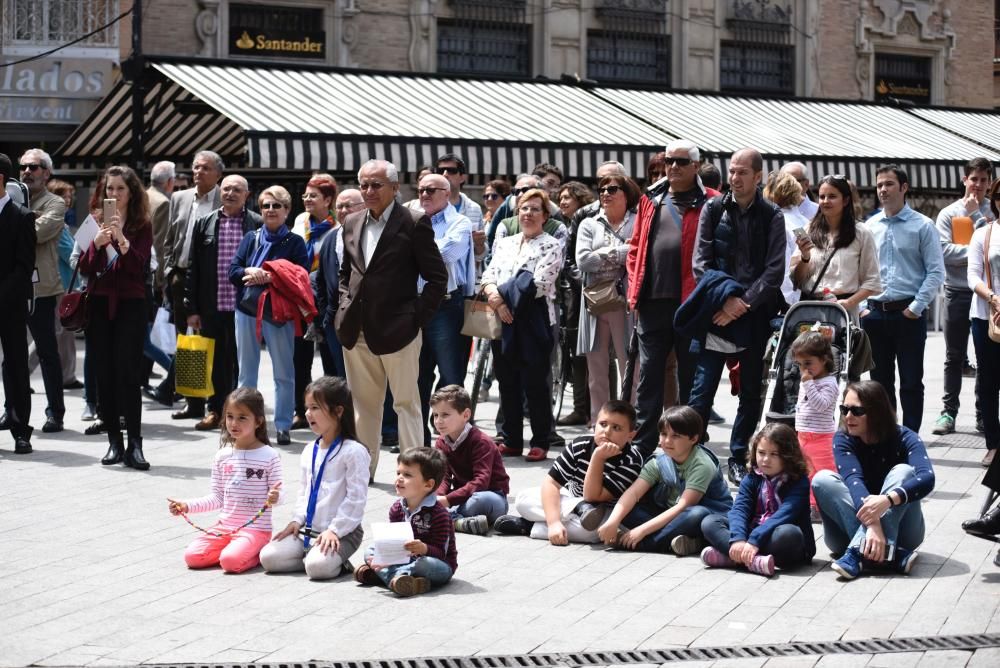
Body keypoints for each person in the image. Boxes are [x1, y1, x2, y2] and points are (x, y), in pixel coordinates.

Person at [337, 160, 447, 478]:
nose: (369, 191)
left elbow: (437, 278)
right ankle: (363, 471)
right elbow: (347, 273)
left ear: (396, 188)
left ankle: (415, 474)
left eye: (377, 185)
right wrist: (344, 305)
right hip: (356, 329)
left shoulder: (413, 222)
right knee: (364, 407)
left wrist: (416, 318)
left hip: (400, 330)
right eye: (365, 185)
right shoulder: (352, 221)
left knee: (406, 405)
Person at [687, 148, 786, 484]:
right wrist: (725, 300)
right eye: (733, 172)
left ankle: (739, 455)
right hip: (715, 312)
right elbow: (700, 263)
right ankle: (692, 459)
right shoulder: (713, 209)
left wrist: (743, 303)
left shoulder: (772, 214)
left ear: (758, 176)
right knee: (701, 393)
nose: (736, 178)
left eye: (743, 172)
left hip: (754, 314)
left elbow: (774, 270)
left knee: (750, 394)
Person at [628, 140, 723, 457]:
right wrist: (634, 289)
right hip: (653, 301)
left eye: (681, 162)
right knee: (649, 378)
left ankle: (692, 444)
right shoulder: (651, 198)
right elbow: (635, 248)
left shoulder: (713, 201)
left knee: (692, 379)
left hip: (693, 303)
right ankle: (642, 446)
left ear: (696, 166)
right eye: (669, 161)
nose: (673, 167)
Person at [812, 381, 935, 580]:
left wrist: (888, 500)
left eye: (857, 411)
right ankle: (891, 555)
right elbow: (853, 480)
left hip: (906, 531)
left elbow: (927, 478)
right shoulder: (843, 438)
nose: (848, 416)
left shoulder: (905, 437)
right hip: (846, 532)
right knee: (822, 479)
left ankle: (858, 553)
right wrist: (873, 525)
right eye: (844, 409)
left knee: (903, 471)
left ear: (877, 412)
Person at [78, 166, 153, 470]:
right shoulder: (93, 221)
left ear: (132, 192)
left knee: (128, 375)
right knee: (104, 374)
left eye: (121, 189)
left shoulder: (141, 223)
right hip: (98, 304)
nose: (115, 194)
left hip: (130, 305)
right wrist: (96, 244)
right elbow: (83, 266)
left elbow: (139, 267)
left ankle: (135, 444)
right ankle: (113, 443)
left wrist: (122, 238)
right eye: (110, 189)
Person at [481, 188, 563, 462]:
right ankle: (512, 438)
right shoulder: (505, 242)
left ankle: (540, 439)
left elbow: (538, 285)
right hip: (501, 317)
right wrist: (495, 298)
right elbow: (489, 273)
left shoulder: (551, 244)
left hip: (534, 318)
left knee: (536, 384)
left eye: (535, 209)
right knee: (507, 381)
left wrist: (502, 295)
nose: (528, 214)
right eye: (524, 209)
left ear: (545, 215)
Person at [862, 165, 945, 432]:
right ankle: (886, 436)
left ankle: (910, 437)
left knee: (911, 381)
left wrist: (916, 307)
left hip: (908, 314)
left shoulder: (923, 225)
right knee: (879, 384)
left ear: (904, 187)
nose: (883, 190)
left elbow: (935, 271)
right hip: (874, 315)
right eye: (879, 185)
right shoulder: (869, 226)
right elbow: (860, 270)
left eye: (888, 184)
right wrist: (863, 307)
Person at [260, 376, 369, 579]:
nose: (309, 414)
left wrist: (335, 530)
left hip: (342, 532)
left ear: (338, 411)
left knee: (318, 568)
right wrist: (296, 520)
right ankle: (312, 556)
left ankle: (328, 560)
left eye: (316, 407)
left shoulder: (354, 452)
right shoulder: (310, 449)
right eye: (307, 407)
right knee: (268, 557)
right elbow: (304, 492)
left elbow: (356, 499)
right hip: (308, 530)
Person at [494, 400, 645, 543]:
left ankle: (528, 525)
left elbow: (592, 496)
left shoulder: (631, 460)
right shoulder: (580, 444)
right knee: (522, 499)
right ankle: (578, 508)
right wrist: (553, 523)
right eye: (603, 424)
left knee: (591, 532)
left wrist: (598, 458)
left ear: (631, 435)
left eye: (616, 428)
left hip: (602, 509)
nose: (607, 431)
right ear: (594, 424)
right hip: (570, 500)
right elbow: (551, 483)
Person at [167, 388, 283, 573]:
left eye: (242, 418)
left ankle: (253, 552)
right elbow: (217, 498)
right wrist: (186, 505)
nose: (233, 423)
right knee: (193, 557)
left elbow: (279, 495)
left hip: (255, 531)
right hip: (225, 528)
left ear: (258, 421)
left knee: (230, 562)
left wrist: (275, 497)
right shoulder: (222, 456)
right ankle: (232, 551)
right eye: (230, 416)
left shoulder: (269, 455)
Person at [230, 185, 309, 446]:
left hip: (279, 313)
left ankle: (283, 425)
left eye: (277, 205)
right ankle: (246, 424)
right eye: (266, 205)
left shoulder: (295, 242)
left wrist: (272, 276)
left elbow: (301, 277)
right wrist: (251, 271)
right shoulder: (251, 238)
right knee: (246, 373)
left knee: (284, 372)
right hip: (247, 311)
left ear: (287, 210)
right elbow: (233, 271)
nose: (271, 210)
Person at [596, 406, 733, 554]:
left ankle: (644, 544)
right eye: (663, 434)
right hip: (670, 517)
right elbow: (633, 493)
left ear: (693, 438)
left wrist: (641, 531)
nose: (667, 441)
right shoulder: (659, 461)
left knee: (697, 514)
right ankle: (683, 542)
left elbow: (682, 507)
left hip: (704, 517)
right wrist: (613, 521)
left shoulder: (702, 465)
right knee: (626, 509)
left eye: (676, 436)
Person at [183, 175, 262, 431]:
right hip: (212, 303)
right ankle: (214, 410)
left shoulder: (256, 224)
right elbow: (193, 267)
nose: (230, 193)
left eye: (237, 190)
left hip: (245, 306)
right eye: (226, 188)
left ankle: (241, 414)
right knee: (214, 361)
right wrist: (191, 308)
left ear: (246, 195)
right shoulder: (205, 223)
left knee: (241, 363)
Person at [700, 423, 814, 576]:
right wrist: (738, 539)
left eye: (774, 454)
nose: (766, 459)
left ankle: (732, 557)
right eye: (761, 452)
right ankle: (752, 561)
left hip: (781, 540)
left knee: (788, 533)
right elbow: (739, 509)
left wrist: (754, 540)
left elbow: (786, 514)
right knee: (710, 522)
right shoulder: (752, 478)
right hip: (752, 537)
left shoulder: (799, 482)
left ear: (788, 456)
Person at [6, 149, 67, 433]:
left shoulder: (55, 202)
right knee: (11, 355)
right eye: (23, 167)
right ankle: (12, 410)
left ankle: (55, 412)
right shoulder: (11, 201)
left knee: (47, 352)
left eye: (35, 167)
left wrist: (19, 222)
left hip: (41, 289)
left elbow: (39, 233)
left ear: (47, 172)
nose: (27, 171)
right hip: (11, 288)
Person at [933, 157, 994, 439]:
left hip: (988, 296)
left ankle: (984, 414)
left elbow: (990, 250)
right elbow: (944, 253)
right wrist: (974, 254)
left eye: (983, 180)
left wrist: (976, 221)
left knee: (987, 357)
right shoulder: (948, 213)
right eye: (974, 179)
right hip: (957, 291)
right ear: (964, 180)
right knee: (953, 356)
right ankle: (949, 412)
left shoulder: (992, 215)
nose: (978, 185)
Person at [163, 151, 223, 423]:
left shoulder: (225, 197)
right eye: (196, 167)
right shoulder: (179, 197)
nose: (199, 172)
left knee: (214, 340)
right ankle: (194, 402)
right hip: (181, 275)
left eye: (206, 168)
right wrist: (168, 269)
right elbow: (169, 237)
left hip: (212, 281)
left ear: (218, 174)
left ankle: (217, 403)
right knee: (187, 341)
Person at [415, 173, 474, 446]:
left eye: (430, 190)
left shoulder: (460, 222)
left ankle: (453, 437)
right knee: (417, 375)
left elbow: (446, 255)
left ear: (446, 193)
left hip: (447, 305)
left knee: (451, 377)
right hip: (414, 305)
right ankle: (420, 439)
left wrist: (412, 252)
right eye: (421, 190)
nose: (424, 195)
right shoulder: (412, 218)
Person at [576, 175, 639, 426]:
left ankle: (628, 421)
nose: (605, 193)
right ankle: (599, 421)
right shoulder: (589, 224)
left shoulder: (637, 221)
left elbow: (637, 254)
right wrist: (619, 252)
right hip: (594, 300)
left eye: (612, 189)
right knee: (597, 368)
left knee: (629, 366)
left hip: (625, 301)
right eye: (601, 189)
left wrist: (602, 253)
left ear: (626, 194)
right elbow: (583, 261)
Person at [355, 448, 456, 597]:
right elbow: (394, 543)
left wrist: (424, 548)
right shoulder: (396, 508)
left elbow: (442, 553)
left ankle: (384, 575)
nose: (399, 478)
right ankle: (404, 581)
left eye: (407, 475)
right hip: (404, 559)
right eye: (398, 473)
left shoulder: (439, 514)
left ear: (428, 485)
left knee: (424, 563)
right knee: (370, 549)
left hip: (437, 565)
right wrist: (385, 553)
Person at [790, 175, 881, 320]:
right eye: (822, 196)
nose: (825, 201)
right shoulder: (808, 229)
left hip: (843, 313)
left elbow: (872, 281)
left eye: (832, 196)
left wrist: (849, 302)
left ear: (845, 200)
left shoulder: (862, 232)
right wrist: (805, 257)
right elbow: (797, 279)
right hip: (809, 310)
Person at [291, 175, 340, 429]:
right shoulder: (300, 221)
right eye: (305, 195)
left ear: (328, 200)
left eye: (313, 196)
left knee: (331, 359)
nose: (307, 200)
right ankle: (301, 410)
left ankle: (331, 411)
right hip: (300, 297)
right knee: (300, 358)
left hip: (324, 300)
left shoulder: (337, 226)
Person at [431, 385, 510, 533]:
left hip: (491, 496)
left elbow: (481, 481)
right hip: (463, 496)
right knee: (424, 498)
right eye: (435, 415)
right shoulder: (441, 442)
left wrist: (448, 500)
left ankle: (445, 520)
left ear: (466, 415)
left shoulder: (480, 441)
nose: (438, 421)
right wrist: (438, 497)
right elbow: (444, 477)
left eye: (445, 415)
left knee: (478, 501)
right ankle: (458, 522)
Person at [0, 152, 37, 455]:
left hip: (10, 306)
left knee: (15, 367)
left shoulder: (22, 217)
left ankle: (20, 431)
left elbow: (24, 268)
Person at [554, 180, 597, 428]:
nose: (563, 202)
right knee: (576, 353)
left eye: (568, 197)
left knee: (598, 353)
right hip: (570, 295)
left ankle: (599, 407)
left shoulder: (587, 220)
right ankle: (581, 408)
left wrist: (584, 283)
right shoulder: (563, 224)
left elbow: (575, 260)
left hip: (588, 292)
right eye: (560, 197)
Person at [968, 184, 1000, 468]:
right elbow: (972, 275)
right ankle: (993, 444)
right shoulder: (984, 233)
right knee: (989, 382)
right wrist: (993, 299)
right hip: (986, 315)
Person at [314, 188, 362, 380]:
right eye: (339, 206)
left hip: (364, 320)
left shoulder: (372, 236)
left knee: (364, 378)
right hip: (336, 321)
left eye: (348, 206)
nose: (342, 210)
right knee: (341, 377)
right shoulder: (331, 239)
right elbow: (321, 281)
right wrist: (326, 317)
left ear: (363, 207)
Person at [790, 330, 839, 516]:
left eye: (808, 363)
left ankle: (829, 505)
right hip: (803, 435)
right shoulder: (808, 380)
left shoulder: (829, 383)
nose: (804, 369)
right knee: (807, 472)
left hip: (821, 438)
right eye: (800, 364)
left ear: (824, 359)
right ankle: (812, 505)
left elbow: (821, 405)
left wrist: (809, 384)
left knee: (826, 473)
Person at [44, 178, 82, 391]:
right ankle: (67, 376)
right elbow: (68, 253)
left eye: (69, 196)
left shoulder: (60, 222)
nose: (68, 200)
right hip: (63, 283)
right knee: (63, 332)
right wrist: (83, 249)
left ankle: (67, 375)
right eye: (64, 196)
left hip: (64, 282)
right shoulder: (57, 223)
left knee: (60, 332)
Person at [762, 172, 809, 307]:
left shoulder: (776, 222)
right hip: (805, 292)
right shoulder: (803, 222)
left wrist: (787, 301)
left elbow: (784, 263)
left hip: (784, 297)